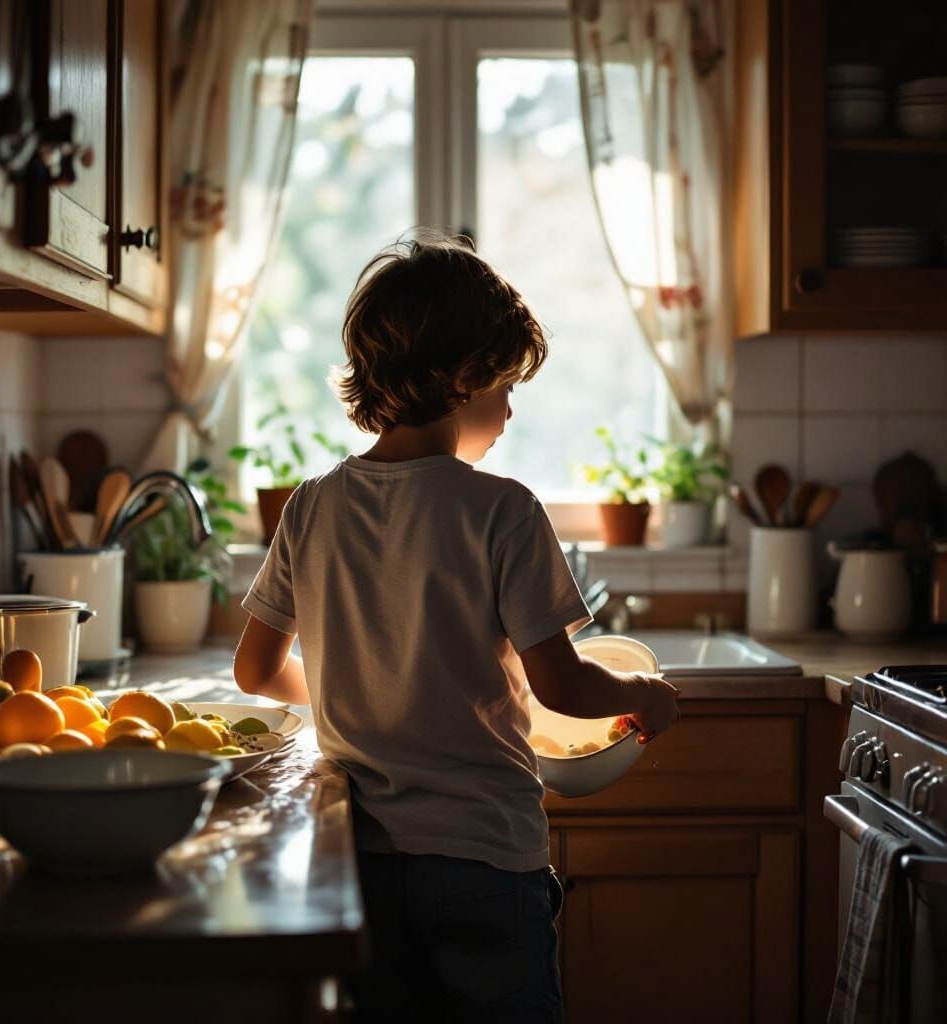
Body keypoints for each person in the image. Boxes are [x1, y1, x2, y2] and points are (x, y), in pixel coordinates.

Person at [233, 232, 680, 1022]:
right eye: (506, 385)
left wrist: (356, 685)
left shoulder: (311, 505)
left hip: (361, 861)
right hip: (486, 860)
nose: (509, 410)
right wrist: (646, 693)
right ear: (464, 375)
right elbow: (563, 683)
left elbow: (256, 671)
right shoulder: (501, 510)